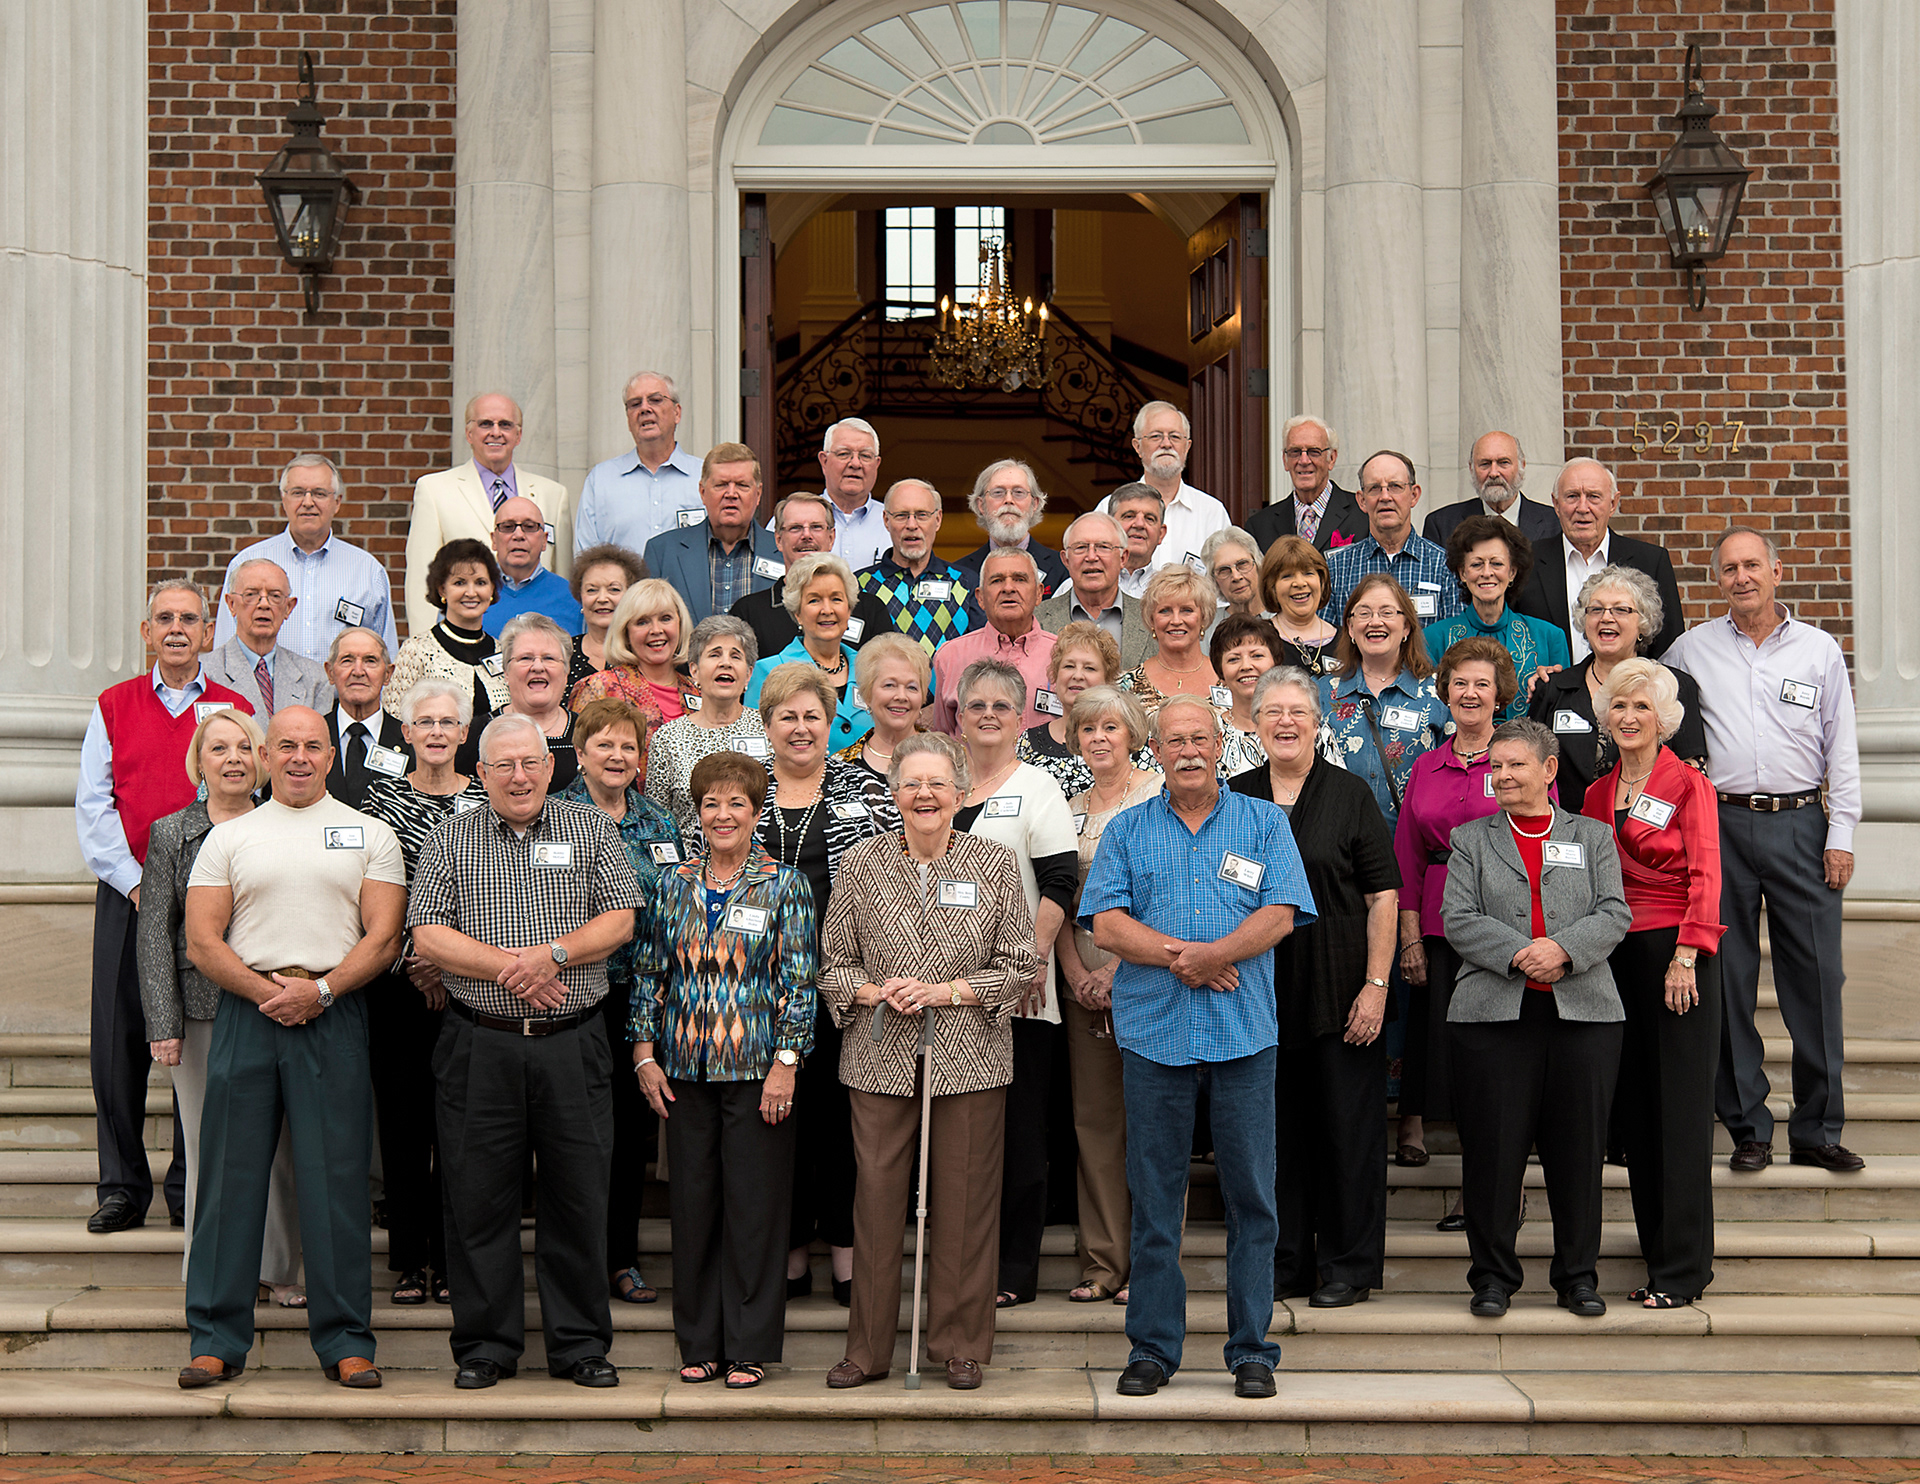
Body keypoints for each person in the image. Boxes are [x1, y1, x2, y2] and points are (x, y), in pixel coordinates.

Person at [1080, 696, 1315, 1400]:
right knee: (1155, 1201)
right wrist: (1190, 957)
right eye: (1173, 740)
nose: (1187, 750)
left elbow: (1281, 914)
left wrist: (1218, 954)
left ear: (1220, 745)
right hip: (1155, 1037)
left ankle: (1252, 1350)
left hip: (1244, 1036)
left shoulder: (1264, 821)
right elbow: (1108, 926)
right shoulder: (1126, 830)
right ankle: (1153, 1349)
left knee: (1252, 1199)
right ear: (1154, 751)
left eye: (1199, 738)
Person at [408, 712, 643, 1391]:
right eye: (502, 765)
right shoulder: (451, 837)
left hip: (573, 1047)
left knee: (577, 1199)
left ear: (550, 767)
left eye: (530, 763)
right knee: (478, 1200)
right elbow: (427, 933)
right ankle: (485, 1345)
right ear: (480, 774)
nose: (518, 775)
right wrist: (511, 967)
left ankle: (578, 1347)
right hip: (480, 1044)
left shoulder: (590, 829)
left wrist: (553, 954)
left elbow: (620, 918)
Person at [178, 706, 407, 1390]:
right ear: (265, 755)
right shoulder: (229, 837)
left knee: (335, 1181)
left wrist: (323, 992)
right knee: (228, 1180)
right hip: (248, 1015)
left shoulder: (371, 833)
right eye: (287, 745)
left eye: (314, 745)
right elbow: (203, 940)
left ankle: (345, 1341)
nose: (301, 756)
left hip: (333, 1014)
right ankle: (215, 1338)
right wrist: (263, 992)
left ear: (332, 757)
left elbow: (382, 937)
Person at [820, 734, 1040, 1391]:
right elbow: (835, 964)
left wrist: (945, 992)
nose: (924, 795)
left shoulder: (995, 864)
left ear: (961, 795)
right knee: (878, 1203)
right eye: (911, 784)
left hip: (968, 1054)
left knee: (966, 1203)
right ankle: (867, 1349)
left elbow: (1020, 964)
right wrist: (874, 989)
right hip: (880, 1051)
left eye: (937, 785)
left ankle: (959, 1343)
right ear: (894, 795)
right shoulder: (861, 864)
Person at [1664, 526, 1863, 1174]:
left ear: (1777, 571)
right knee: (1728, 981)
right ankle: (1748, 1126)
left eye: (1753, 565)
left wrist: (1842, 835)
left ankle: (1818, 1128)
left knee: (1818, 981)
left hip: (1802, 823)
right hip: (1718, 826)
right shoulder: (1690, 652)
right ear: (1717, 579)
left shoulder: (1818, 650)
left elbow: (1843, 747)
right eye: (1729, 568)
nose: (1742, 577)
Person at [631, 750, 816, 1388]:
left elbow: (799, 981)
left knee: (755, 1209)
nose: (723, 814)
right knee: (694, 1206)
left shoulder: (783, 884)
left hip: (757, 1070)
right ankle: (700, 1341)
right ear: (698, 812)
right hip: (683, 1068)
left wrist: (787, 1061)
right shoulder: (672, 883)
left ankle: (749, 1345)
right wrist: (643, 1053)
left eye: (736, 802)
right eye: (711, 803)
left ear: (756, 809)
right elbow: (649, 975)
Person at [76, 581, 255, 1235]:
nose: (178, 628)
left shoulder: (232, 708)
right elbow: (93, 807)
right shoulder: (115, 705)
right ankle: (122, 1185)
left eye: (190, 619)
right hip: (130, 896)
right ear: (146, 631)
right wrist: (137, 886)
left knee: (203, 1040)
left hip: (215, 904)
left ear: (209, 634)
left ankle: (190, 1184)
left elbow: (249, 797)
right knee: (121, 1041)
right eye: (165, 619)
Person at [1442, 719, 1631, 1320]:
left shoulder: (1593, 836)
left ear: (1549, 771)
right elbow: (1458, 918)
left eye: (1515, 765)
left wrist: (1563, 950)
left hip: (1583, 1015)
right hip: (1495, 1015)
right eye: (1494, 767)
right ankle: (1493, 1277)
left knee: (1578, 1154)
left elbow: (1614, 911)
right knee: (1494, 1155)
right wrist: (1522, 954)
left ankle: (1577, 1276)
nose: (1501, 776)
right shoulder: (1471, 840)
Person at [1229, 667, 1398, 1307]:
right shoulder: (1235, 796)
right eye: (1272, 712)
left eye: (1298, 711)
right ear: (1254, 722)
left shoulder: (1351, 794)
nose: (1285, 723)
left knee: (1347, 1131)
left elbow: (1384, 895)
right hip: (1258, 992)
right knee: (1273, 1136)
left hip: (1341, 986)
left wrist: (1376, 985)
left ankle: (1348, 1266)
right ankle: (1286, 1264)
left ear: (1319, 719)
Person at [139, 708, 302, 1306]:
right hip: (199, 1011)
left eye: (244, 747)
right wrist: (163, 1022)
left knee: (280, 1143)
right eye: (219, 748)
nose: (233, 758)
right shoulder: (169, 834)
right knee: (208, 1144)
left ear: (262, 759)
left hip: (275, 1004)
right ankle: (212, 1273)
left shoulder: (287, 823)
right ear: (199, 762)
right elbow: (155, 932)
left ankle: (280, 1269)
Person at [1582, 659, 1725, 1307]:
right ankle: (1656, 1253)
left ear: (1664, 718)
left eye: (1642, 708)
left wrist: (1687, 955)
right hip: (1615, 957)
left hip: (1676, 956)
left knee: (1680, 1113)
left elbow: (1708, 876)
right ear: (1606, 717)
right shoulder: (1592, 794)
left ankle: (1683, 1269)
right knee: (1638, 1114)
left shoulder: (1688, 784)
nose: (1630, 717)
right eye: (1619, 706)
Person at [753, 664, 886, 1303]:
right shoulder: (743, 793)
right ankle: (787, 1254)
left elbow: (893, 882)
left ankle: (844, 1253)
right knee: (775, 1128)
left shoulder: (861, 789)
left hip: (842, 989)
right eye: (788, 716)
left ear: (831, 724)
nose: (801, 728)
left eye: (813, 716)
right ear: (767, 723)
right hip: (757, 994)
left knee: (840, 1126)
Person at [951, 659, 1078, 1309]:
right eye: (978, 705)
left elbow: (1060, 881)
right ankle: (959, 1264)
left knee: (1021, 1136)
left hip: (1020, 994)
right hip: (947, 998)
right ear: (958, 713)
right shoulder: (939, 782)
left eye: (1003, 705)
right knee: (959, 1141)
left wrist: (1030, 961)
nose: (990, 716)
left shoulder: (1038, 787)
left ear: (1022, 715)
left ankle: (1013, 1270)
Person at [359, 678, 490, 1307]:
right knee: (405, 1123)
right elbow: (372, 891)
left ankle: (455, 1260)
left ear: (465, 733)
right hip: (396, 984)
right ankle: (411, 1259)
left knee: (462, 1129)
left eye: (448, 722)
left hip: (472, 988)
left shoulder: (489, 800)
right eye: (424, 723)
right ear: (405, 732)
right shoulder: (377, 803)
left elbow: (497, 892)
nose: (437, 732)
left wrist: (448, 965)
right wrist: (418, 961)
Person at [558, 698, 685, 1312]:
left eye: (628, 747)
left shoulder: (660, 824)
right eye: (603, 745)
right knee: (578, 1137)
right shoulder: (555, 818)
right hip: (575, 998)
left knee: (631, 1137)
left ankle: (622, 1259)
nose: (616, 756)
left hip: (645, 1000)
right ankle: (578, 1262)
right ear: (580, 753)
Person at [1393, 637, 1515, 1182]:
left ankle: (1487, 1183)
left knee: (1491, 1056)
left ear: (1499, 695)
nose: (1470, 693)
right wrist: (1410, 935)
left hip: (1500, 924)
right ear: (1445, 692)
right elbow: (1407, 855)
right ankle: (1427, 1133)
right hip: (1438, 923)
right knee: (1438, 1041)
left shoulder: (1520, 759)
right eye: (1460, 683)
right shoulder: (1426, 766)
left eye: (1481, 684)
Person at [1055, 686, 1162, 1305]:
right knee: (1094, 1126)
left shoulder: (1158, 798)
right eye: (1087, 729)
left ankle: (1149, 1265)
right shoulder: (1065, 808)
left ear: (1133, 735)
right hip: (1081, 988)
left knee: (1153, 1127)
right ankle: (1102, 1263)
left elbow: (1165, 895)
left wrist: (1118, 972)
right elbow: (1058, 902)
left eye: (1110, 728)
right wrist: (1074, 974)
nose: (1098, 738)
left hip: (1148, 981)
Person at [1528, 566, 1707, 805]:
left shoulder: (1674, 686)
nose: (1606, 617)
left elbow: (1691, 771)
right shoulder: (1552, 687)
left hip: (1647, 833)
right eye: (1596, 609)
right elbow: (1531, 765)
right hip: (1567, 834)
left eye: (1621, 609)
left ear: (1643, 623)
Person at [406, 392, 569, 638]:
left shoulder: (553, 494)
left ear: (518, 434)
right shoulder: (434, 490)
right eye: (485, 424)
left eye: (505, 424)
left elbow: (562, 575)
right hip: (462, 636)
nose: (496, 432)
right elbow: (422, 577)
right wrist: (427, 649)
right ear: (469, 434)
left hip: (537, 644)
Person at [212, 453, 398, 661]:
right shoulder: (246, 564)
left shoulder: (368, 571)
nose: (307, 502)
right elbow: (224, 656)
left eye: (319, 493)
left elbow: (386, 657)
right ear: (284, 500)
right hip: (263, 693)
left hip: (339, 694)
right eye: (298, 492)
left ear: (337, 502)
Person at [1513, 457, 1685, 662]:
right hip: (1548, 691)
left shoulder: (1651, 561)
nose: (1583, 508)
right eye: (1572, 496)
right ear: (1556, 504)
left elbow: (1670, 650)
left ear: (1613, 504)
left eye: (1594, 496)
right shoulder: (1524, 561)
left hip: (1632, 690)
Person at [1319, 574, 1449, 832]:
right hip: (1338, 847)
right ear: (1350, 627)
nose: (1375, 621)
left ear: (1407, 627)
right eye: (1364, 613)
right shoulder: (1320, 693)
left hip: (1411, 847)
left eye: (1387, 612)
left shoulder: (1438, 693)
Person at [1422, 514, 1571, 718]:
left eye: (1496, 564)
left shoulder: (1550, 637)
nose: (1486, 572)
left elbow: (1562, 712)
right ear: (1462, 573)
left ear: (1512, 572)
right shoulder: (1432, 638)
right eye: (1476, 564)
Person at [384, 539, 511, 776]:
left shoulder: (505, 654)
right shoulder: (417, 650)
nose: (471, 592)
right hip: (431, 783)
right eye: (459, 582)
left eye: (481, 583)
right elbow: (393, 727)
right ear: (442, 590)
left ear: (492, 590)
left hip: (495, 782)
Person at [645, 616, 768, 837]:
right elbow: (657, 822)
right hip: (687, 866)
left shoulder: (770, 730)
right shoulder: (667, 738)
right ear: (694, 670)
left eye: (735, 656)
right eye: (714, 654)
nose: (726, 663)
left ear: (749, 673)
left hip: (760, 861)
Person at [733, 493, 892, 662]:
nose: (807, 535)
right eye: (795, 528)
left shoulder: (870, 609)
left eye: (816, 527)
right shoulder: (748, 612)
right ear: (778, 540)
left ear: (831, 538)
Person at [641, 443, 784, 626]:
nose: (731, 494)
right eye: (721, 485)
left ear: (758, 494)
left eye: (742, 485)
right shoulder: (662, 551)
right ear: (702, 492)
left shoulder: (783, 553)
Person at [744, 552, 873, 751]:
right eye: (814, 601)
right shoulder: (767, 672)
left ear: (849, 610)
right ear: (798, 614)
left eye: (836, 599)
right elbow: (756, 748)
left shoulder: (871, 670)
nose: (827, 609)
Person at [1322, 450, 1462, 626]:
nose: (1385, 497)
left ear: (1414, 495)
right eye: (1374, 488)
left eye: (1395, 486)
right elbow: (1326, 642)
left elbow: (1454, 642)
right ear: (1362, 501)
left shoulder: (1444, 567)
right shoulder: (1337, 568)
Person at [573, 370, 703, 559]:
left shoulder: (704, 477)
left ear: (677, 412)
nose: (644, 409)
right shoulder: (601, 480)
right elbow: (586, 559)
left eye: (655, 400)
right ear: (628, 419)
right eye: (635, 404)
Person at [1092, 401, 1230, 575]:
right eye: (1156, 436)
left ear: (1187, 447)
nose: (1166, 444)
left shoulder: (1212, 512)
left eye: (1175, 436)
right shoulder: (1108, 508)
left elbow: (1225, 579)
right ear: (1137, 447)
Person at [932, 548, 1058, 735]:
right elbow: (944, 736)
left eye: (1019, 579)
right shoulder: (950, 656)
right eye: (997, 580)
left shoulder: (1063, 655)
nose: (1008, 588)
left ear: (1039, 593)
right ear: (980, 598)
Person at [569, 577, 698, 758]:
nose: (656, 630)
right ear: (625, 631)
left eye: (665, 618)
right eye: (642, 622)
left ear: (680, 624)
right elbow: (580, 760)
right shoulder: (599, 688)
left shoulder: (698, 691)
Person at [203, 558, 335, 718]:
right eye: (251, 595)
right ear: (231, 604)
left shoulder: (315, 678)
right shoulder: (204, 673)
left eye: (275, 596)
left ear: (288, 608)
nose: (264, 604)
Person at [856, 478, 975, 654]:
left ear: (938, 519)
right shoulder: (858, 585)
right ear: (886, 520)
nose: (912, 525)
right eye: (901, 515)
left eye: (922, 515)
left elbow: (980, 653)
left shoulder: (967, 582)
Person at [1018, 620, 1125, 799]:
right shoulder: (1028, 742)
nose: (1077, 675)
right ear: (1055, 675)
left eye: (1089, 668)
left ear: (1108, 679)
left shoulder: (1126, 740)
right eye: (1069, 666)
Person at [837, 632, 930, 828]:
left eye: (912, 687)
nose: (901, 696)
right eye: (890, 685)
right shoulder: (840, 766)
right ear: (867, 694)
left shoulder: (950, 758)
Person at [1037, 511, 1152, 667]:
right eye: (1081, 547)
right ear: (1066, 560)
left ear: (1123, 558)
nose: (1091, 557)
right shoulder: (1037, 619)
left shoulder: (1151, 619)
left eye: (1103, 547)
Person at [1246, 414, 1367, 554]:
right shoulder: (1259, 526)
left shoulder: (1363, 515)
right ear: (1285, 460)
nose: (1304, 461)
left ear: (1332, 458)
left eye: (1314, 452)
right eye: (1295, 452)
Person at [953, 458, 1068, 601]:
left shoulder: (1063, 568)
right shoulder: (958, 573)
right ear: (981, 505)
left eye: (1018, 492)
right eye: (998, 492)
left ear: (1034, 504)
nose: (1008, 500)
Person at [1422, 430, 1560, 547]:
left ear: (1521, 465)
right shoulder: (1441, 524)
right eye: (1485, 464)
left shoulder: (1555, 522)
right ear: (1471, 468)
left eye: (1503, 463)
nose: (1493, 473)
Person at [1117, 567, 1223, 719]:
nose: (1176, 621)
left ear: (1204, 617)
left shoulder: (1228, 679)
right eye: (1165, 611)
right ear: (1151, 619)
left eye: (1186, 610)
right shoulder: (1125, 685)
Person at [321, 627, 409, 809]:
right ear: (330, 672)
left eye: (370, 661)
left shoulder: (411, 740)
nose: (358, 671)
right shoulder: (313, 736)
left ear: (388, 674)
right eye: (347, 660)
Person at [499, 613, 583, 792]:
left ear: (566, 672)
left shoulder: (590, 734)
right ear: (506, 672)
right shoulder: (477, 734)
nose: (538, 667)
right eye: (526, 658)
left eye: (549, 658)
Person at [484, 496, 583, 637]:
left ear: (544, 540)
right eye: (507, 527)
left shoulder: (573, 598)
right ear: (494, 540)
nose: (518, 535)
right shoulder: (473, 594)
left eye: (529, 527)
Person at [809, 417, 890, 570]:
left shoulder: (895, 524)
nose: (855, 464)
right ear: (824, 461)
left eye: (865, 456)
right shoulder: (791, 521)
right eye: (844, 454)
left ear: (876, 464)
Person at [566, 544, 646, 697]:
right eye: (592, 590)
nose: (602, 598)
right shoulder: (563, 653)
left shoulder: (645, 653)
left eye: (614, 589)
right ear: (579, 597)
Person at [1210, 614, 1283, 777]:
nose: (1246, 666)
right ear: (1221, 673)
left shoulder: (1307, 725)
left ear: (1276, 663)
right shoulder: (1207, 735)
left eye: (1257, 655)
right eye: (1233, 659)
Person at [1259, 536, 1342, 677]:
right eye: (1287, 576)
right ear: (1272, 587)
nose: (1299, 583)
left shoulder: (1347, 640)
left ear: (1321, 581)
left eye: (1308, 573)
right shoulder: (1258, 639)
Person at [1110, 484, 1170, 600]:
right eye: (1129, 516)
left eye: (1149, 519)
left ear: (1161, 534)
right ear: (1110, 527)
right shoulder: (1077, 587)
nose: (1139, 524)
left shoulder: (1171, 594)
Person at [1204, 527, 1270, 622]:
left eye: (1243, 564)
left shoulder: (1285, 619)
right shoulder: (1207, 624)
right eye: (1224, 570)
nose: (1236, 577)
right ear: (1214, 580)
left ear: (1258, 565)